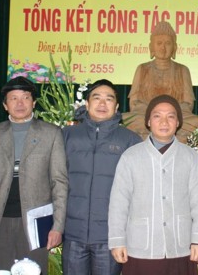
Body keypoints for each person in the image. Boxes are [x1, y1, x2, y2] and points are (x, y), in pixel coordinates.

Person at [0, 76, 68, 273]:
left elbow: (59, 183)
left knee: (34, 270)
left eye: (25, 97)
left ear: (33, 103)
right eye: (13, 98)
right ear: (5, 105)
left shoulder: (51, 133)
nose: (20, 103)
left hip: (38, 221)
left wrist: (57, 226)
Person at [109, 94, 198, 275]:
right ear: (148, 121)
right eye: (157, 116)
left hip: (181, 247)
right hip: (140, 247)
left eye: (170, 116)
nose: (164, 122)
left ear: (178, 122)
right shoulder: (130, 156)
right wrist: (117, 240)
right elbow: (119, 203)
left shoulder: (191, 157)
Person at [62, 79, 141, 275]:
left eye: (109, 99)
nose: (102, 103)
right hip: (73, 234)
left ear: (117, 106)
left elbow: (138, 192)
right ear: (87, 103)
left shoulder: (130, 140)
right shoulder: (67, 136)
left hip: (110, 237)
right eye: (97, 98)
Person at [123, 21, 198, 143]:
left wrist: (170, 114)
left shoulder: (182, 70)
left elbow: (188, 104)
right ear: (151, 47)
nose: (163, 48)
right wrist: (152, 115)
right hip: (146, 115)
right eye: (159, 43)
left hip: (174, 116)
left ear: (174, 47)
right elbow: (134, 103)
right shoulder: (142, 68)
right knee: (128, 119)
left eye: (167, 43)